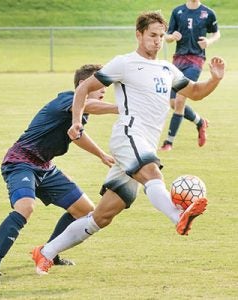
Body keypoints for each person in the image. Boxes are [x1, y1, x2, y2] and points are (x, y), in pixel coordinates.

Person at [31, 11, 225, 275]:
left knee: (102, 216)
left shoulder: (167, 69)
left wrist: (214, 79)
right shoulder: (125, 63)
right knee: (152, 172)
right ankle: (178, 216)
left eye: (160, 36)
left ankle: (46, 252)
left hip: (144, 143)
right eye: (152, 35)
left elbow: (195, 93)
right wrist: (76, 120)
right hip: (128, 135)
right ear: (139, 34)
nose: (157, 41)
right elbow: (83, 89)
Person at [0, 64, 118, 276]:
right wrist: (121, 108)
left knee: (84, 210)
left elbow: (77, 136)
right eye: (99, 85)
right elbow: (89, 106)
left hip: (45, 167)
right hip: (21, 162)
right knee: (25, 207)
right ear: (83, 85)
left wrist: (101, 155)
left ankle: (49, 253)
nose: (103, 89)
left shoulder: (79, 113)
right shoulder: (67, 99)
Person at [160, 0, 220, 151]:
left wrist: (209, 41)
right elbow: (166, 36)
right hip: (178, 60)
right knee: (173, 103)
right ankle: (200, 122)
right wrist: (172, 36)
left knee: (180, 101)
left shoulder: (208, 12)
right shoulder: (177, 11)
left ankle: (169, 143)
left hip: (196, 60)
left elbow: (216, 32)